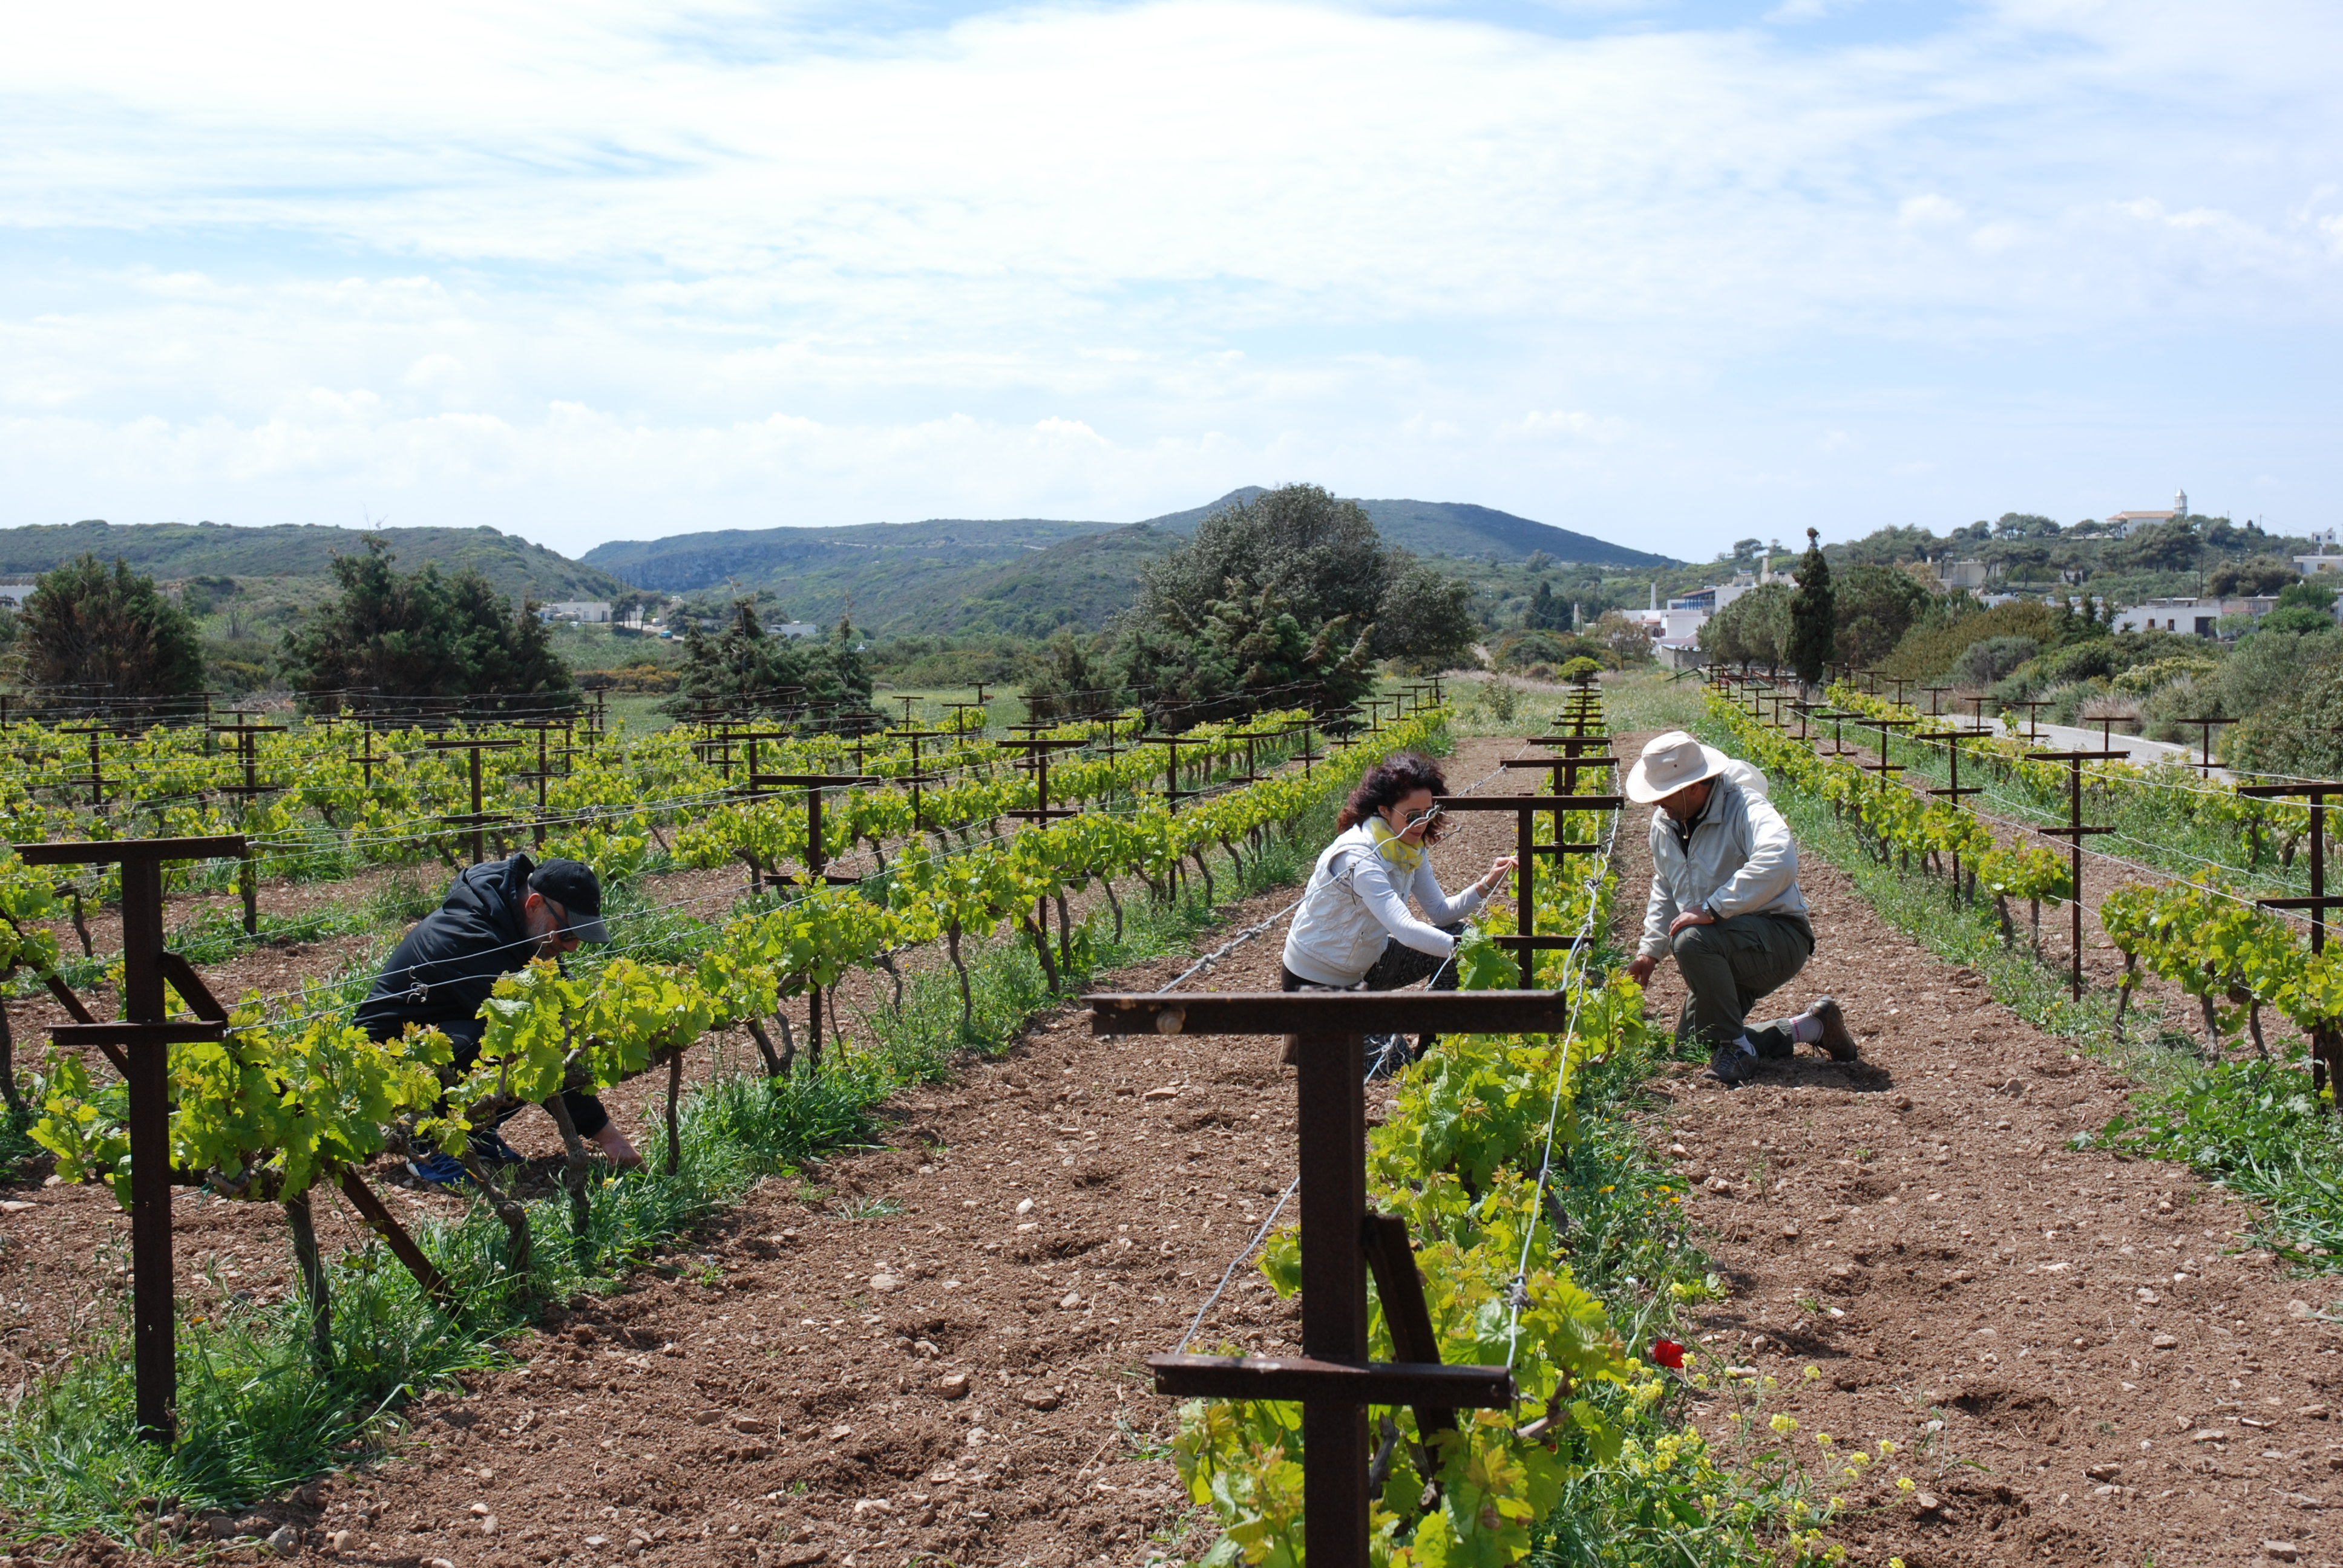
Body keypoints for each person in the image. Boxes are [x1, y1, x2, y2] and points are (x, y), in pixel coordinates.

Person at [356, 854, 643, 1181]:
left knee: (530, 1036)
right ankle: (427, 1143)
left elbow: (558, 1021)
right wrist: (608, 1137)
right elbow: (535, 1041)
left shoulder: (522, 929)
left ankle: (476, 1132)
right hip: (388, 1061)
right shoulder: (470, 936)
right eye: (568, 934)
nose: (574, 948)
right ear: (534, 904)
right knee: (507, 1042)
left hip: (447, 1028)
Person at [1622, 731, 1856, 1085]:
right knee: (1695, 1044)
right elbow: (1666, 885)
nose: (1658, 804)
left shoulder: (1745, 807)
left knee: (1689, 939)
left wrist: (1714, 908)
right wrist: (1650, 952)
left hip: (1777, 936)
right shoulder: (1666, 823)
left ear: (1694, 787)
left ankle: (1736, 1047)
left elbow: (1779, 859)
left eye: (1665, 794)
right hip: (1723, 944)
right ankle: (1813, 1026)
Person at [1280, 753, 1518, 1071]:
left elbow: (1440, 912)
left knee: (1457, 934)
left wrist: (1486, 884)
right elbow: (1405, 929)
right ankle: (1313, 1038)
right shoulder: (1357, 857)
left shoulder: (1408, 848)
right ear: (1383, 810)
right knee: (1396, 1064)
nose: (1423, 823)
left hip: (1366, 967)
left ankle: (1431, 1051)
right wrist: (1471, 952)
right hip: (1317, 983)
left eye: (1429, 812)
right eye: (1413, 815)